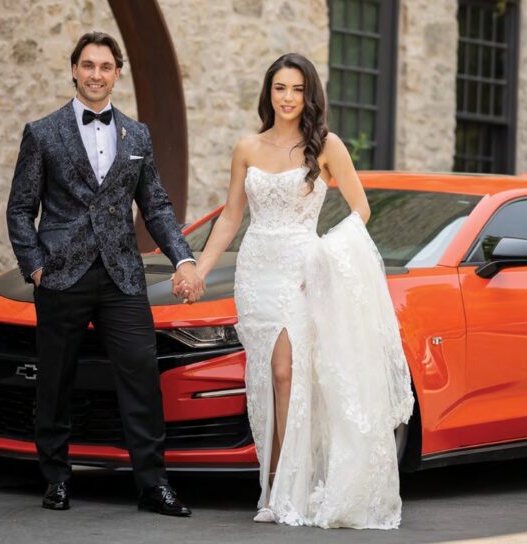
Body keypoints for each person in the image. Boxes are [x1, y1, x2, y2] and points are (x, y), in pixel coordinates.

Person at [176, 53, 414, 529]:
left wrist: (324, 258)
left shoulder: (325, 146)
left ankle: (290, 490)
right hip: (255, 272)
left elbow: (360, 210)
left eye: (297, 89)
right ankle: (272, 490)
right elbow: (230, 217)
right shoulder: (247, 147)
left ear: (310, 95)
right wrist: (199, 267)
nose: (288, 98)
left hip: (301, 271)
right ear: (269, 92)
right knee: (265, 379)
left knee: (287, 373)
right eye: (280, 88)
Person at [6, 31, 204, 515]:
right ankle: (55, 478)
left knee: (140, 377)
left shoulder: (137, 135)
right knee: (55, 380)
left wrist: (183, 257)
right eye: (88, 65)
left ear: (118, 73)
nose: (96, 74)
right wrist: (34, 267)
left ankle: (152, 485)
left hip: (122, 277)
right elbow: (19, 209)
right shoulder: (42, 132)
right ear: (74, 70)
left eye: (106, 66)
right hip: (60, 276)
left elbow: (155, 205)